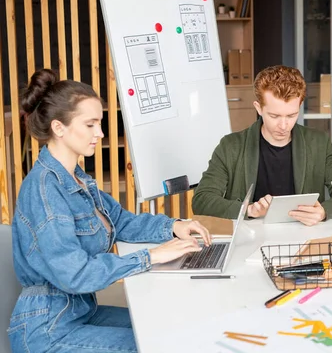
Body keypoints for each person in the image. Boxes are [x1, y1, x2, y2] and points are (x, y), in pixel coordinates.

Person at [8, 69, 212, 353]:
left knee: (168, 326)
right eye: (90, 124)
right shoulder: (45, 190)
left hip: (78, 312)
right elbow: (75, 274)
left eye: (99, 124)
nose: (100, 133)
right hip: (47, 330)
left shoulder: (77, 179)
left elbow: (120, 222)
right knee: (155, 344)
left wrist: (173, 226)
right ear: (59, 128)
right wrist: (151, 257)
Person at [192, 65, 332, 225]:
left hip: (304, 237)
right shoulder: (231, 146)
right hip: (248, 240)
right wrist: (249, 209)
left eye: (291, 115)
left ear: (299, 106)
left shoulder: (319, 143)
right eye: (274, 116)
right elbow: (202, 200)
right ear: (258, 108)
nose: (284, 125)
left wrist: (323, 212)